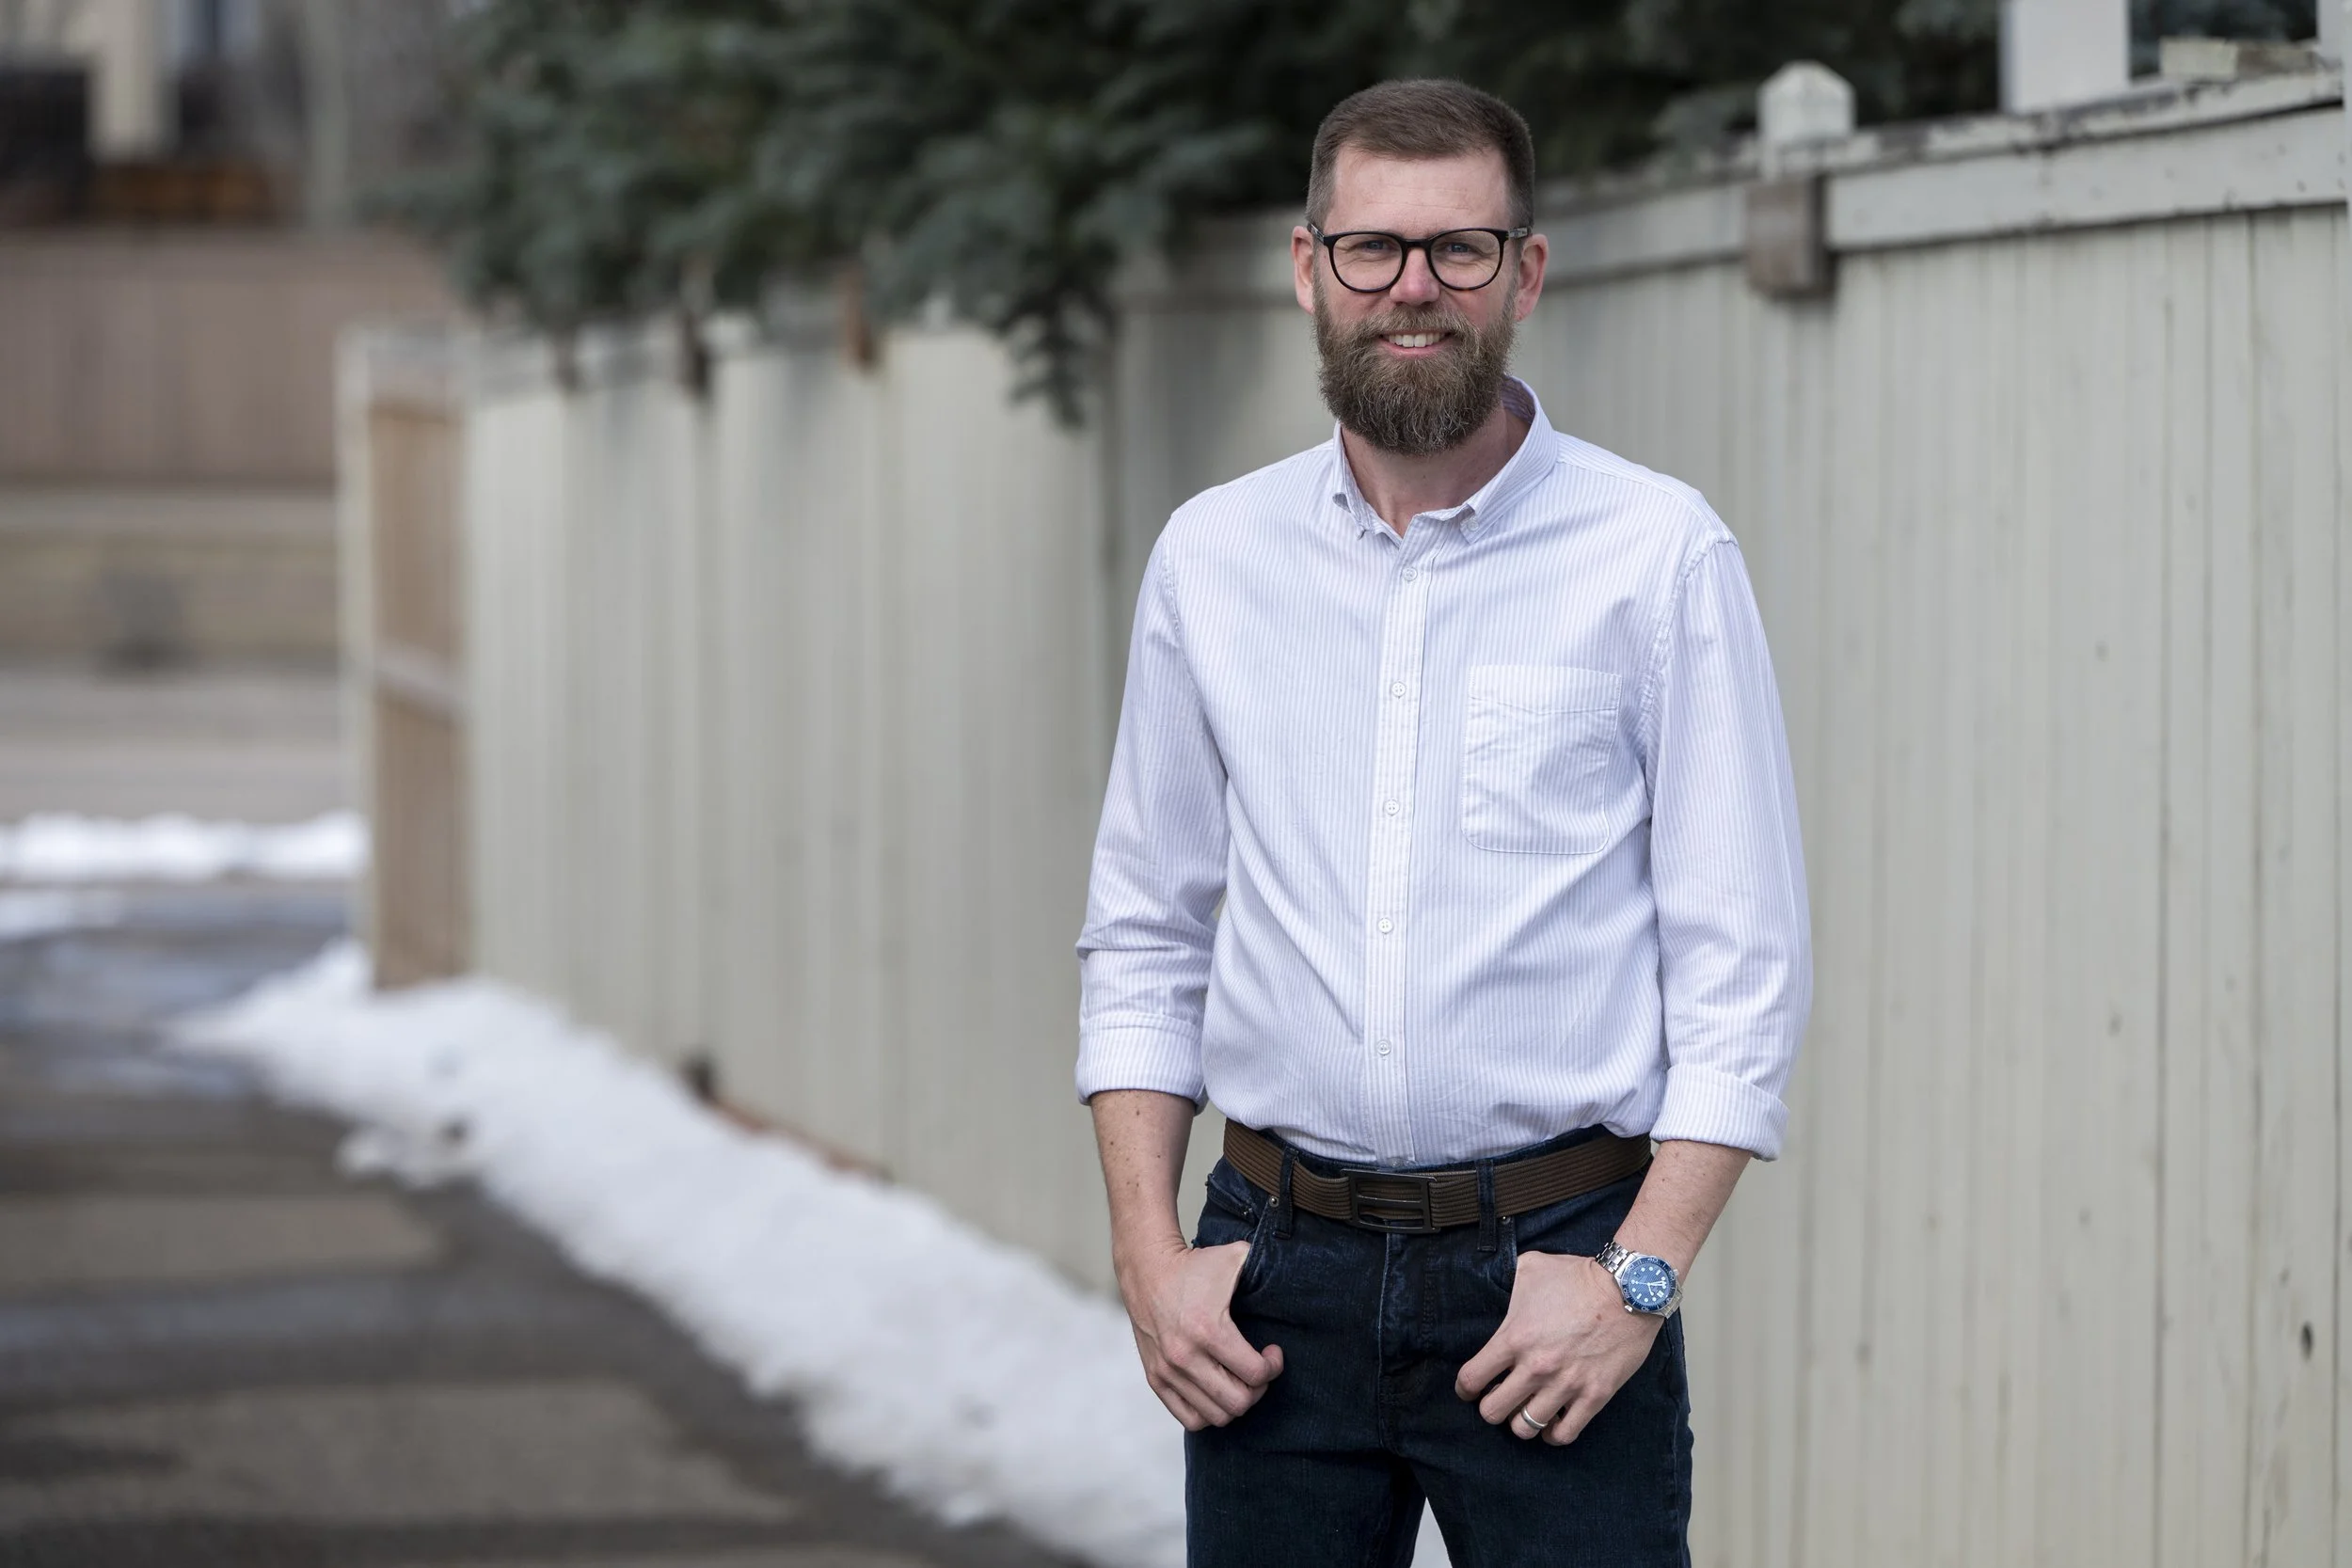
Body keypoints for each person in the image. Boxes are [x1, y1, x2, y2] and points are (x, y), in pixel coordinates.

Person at [1075, 78, 1810, 1567]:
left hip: (1555, 1281)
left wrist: (1635, 1281)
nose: (1414, 286)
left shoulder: (1655, 555)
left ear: (1524, 276)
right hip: (1271, 1289)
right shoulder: (1214, 560)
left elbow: (1744, 971)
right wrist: (1152, 1257)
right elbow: (1146, 931)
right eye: (1374, 248)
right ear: (1309, 267)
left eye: (1461, 249)